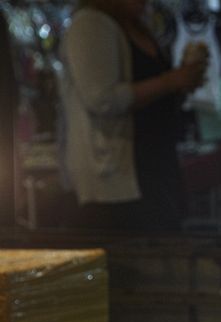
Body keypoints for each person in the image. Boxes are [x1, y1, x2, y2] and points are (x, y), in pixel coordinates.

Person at [60, 0, 207, 231]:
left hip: (155, 165)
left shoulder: (136, 25)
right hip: (116, 174)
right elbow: (101, 98)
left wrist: (181, 82)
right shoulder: (91, 23)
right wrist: (170, 81)